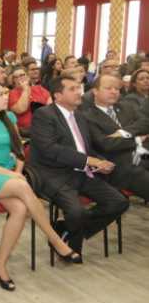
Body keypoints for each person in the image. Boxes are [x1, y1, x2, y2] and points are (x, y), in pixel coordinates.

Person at [0, 81, 81, 291]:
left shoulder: (9, 117)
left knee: (20, 209)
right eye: (2, 94)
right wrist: (12, 175)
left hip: (8, 176)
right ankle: (56, 240)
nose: (7, 97)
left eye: (7, 93)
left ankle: (0, 262)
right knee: (23, 188)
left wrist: (17, 172)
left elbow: (18, 150)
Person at [29, 76, 129, 257]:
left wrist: (100, 162)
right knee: (76, 211)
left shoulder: (80, 117)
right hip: (54, 174)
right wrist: (90, 161)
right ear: (58, 95)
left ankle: (65, 229)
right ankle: (70, 247)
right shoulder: (44, 115)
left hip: (82, 173)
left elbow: (86, 149)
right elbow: (51, 149)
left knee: (119, 202)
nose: (79, 92)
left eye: (79, 88)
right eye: (72, 89)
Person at [80, 74, 149, 201]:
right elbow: (105, 144)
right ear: (95, 91)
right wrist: (137, 139)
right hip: (120, 166)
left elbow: (145, 123)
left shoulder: (126, 107)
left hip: (144, 156)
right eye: (109, 88)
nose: (114, 92)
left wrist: (124, 133)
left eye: (117, 89)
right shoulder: (87, 116)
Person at [8, 65, 51, 136]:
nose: (20, 78)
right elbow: (21, 109)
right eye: (16, 77)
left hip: (45, 126)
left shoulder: (38, 88)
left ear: (27, 76)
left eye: (22, 75)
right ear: (13, 80)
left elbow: (51, 105)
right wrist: (25, 89)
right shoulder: (12, 93)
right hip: (26, 131)